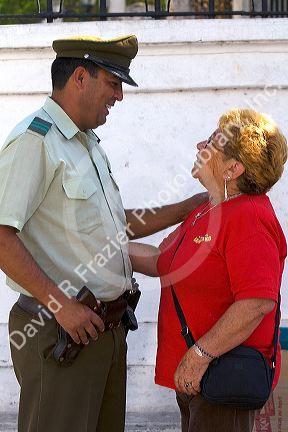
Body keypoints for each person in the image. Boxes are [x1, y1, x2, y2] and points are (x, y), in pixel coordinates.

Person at [0, 35, 206, 432]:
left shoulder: (86, 142)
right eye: (113, 83)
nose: (119, 97)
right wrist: (61, 305)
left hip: (102, 332)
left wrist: (186, 208)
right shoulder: (35, 141)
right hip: (60, 330)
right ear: (81, 77)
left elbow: (116, 224)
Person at [129, 108, 287, 432]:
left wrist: (199, 355)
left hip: (222, 377)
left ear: (232, 168)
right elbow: (162, 259)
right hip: (199, 380)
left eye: (214, 141)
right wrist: (93, 249)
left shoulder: (248, 217)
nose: (200, 144)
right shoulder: (209, 210)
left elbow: (257, 301)